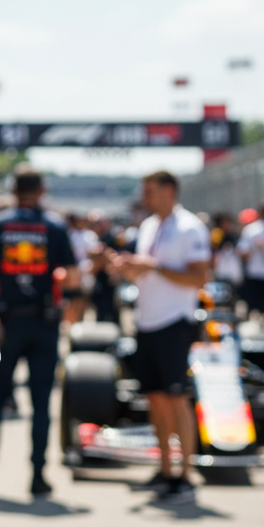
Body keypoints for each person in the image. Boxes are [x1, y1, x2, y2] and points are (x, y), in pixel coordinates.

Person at [0, 169, 78, 496]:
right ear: (42, 190)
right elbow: (73, 277)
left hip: (4, 323)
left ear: (13, 189)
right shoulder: (55, 226)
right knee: (41, 404)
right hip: (44, 324)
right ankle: (37, 476)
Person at [111, 171, 210, 504]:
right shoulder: (150, 225)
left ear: (168, 191)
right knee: (154, 399)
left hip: (174, 323)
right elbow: (147, 270)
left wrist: (152, 266)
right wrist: (127, 266)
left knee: (176, 399)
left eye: (150, 191)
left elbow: (199, 276)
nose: (145, 197)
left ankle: (186, 474)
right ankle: (166, 468)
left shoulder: (190, 226)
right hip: (147, 322)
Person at [237, 201, 264, 319]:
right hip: (256, 274)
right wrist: (255, 247)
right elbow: (242, 252)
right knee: (255, 308)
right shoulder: (252, 230)